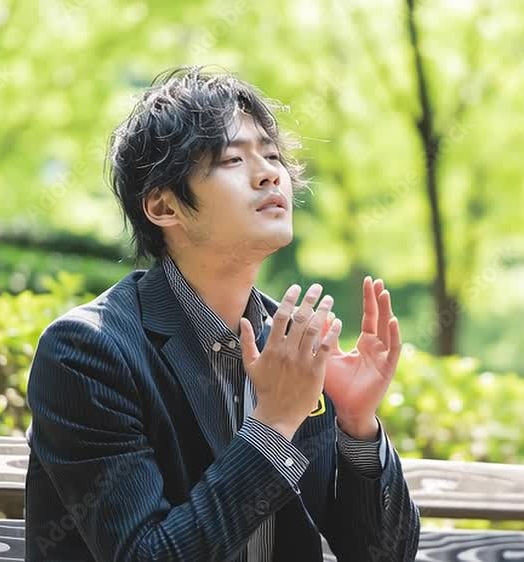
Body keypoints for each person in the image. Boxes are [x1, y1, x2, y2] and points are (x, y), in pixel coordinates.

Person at [24, 66, 420, 561]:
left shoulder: (293, 348)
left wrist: (358, 424)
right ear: (164, 206)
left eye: (272, 155)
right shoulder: (87, 352)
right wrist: (273, 425)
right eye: (232, 159)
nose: (270, 173)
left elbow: (383, 556)